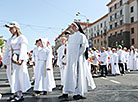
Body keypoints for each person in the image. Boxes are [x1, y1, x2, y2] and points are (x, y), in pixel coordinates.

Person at [59, 22, 96, 100]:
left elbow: (83, 47)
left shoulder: (82, 36)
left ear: (78, 27)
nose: (73, 28)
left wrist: (77, 55)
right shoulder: (71, 37)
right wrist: (66, 58)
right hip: (71, 58)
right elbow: (68, 49)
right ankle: (66, 91)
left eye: (74, 26)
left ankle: (78, 93)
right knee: (69, 74)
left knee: (78, 75)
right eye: (72, 27)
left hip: (78, 58)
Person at [3, 21, 31, 101]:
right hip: (10, 60)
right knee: (11, 77)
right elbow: (7, 51)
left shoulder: (21, 37)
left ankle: (19, 94)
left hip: (17, 60)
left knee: (18, 76)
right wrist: (5, 61)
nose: (10, 30)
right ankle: (14, 93)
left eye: (12, 28)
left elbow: (23, 49)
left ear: (16, 28)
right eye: (10, 28)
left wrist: (21, 59)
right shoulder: (10, 39)